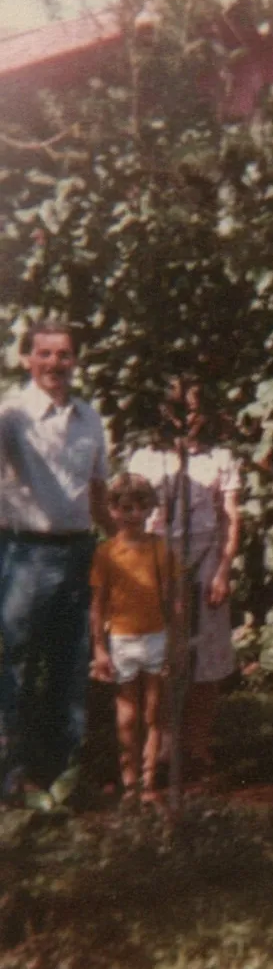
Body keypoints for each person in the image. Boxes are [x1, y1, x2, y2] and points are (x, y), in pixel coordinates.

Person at [0, 320, 112, 806]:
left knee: (71, 665)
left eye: (63, 354)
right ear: (27, 359)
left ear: (75, 361)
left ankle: (63, 772)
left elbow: (98, 491)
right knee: (15, 665)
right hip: (24, 551)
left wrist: (120, 545)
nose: (54, 363)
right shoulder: (10, 414)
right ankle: (13, 774)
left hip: (80, 552)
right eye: (44, 354)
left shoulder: (90, 419)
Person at [127, 378, 240, 777]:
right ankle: (159, 745)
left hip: (207, 560)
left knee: (205, 655)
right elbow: (132, 519)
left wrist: (224, 568)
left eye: (193, 410)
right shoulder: (146, 459)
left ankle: (197, 744)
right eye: (178, 410)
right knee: (161, 657)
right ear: (164, 413)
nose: (186, 418)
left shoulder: (219, 458)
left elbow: (230, 517)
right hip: (159, 560)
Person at [90, 474, 173, 804]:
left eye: (141, 507)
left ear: (150, 509)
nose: (133, 515)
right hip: (122, 639)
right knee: (127, 713)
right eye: (126, 508)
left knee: (155, 711)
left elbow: (173, 599)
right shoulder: (107, 552)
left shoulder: (160, 549)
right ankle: (129, 783)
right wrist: (98, 647)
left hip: (156, 637)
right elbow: (97, 603)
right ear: (112, 510)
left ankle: (149, 782)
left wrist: (176, 640)